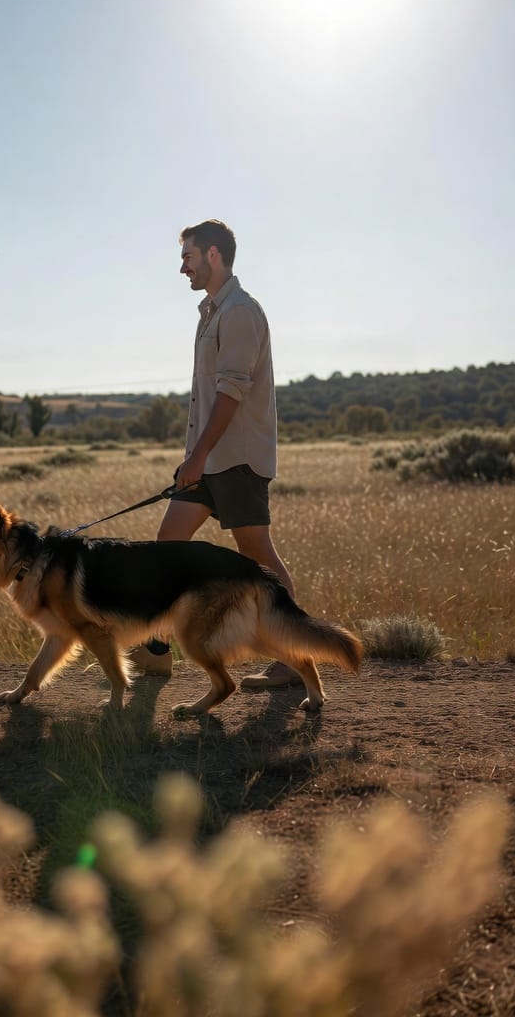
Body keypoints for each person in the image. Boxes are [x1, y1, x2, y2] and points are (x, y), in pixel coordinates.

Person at [130, 219, 301, 690]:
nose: (182, 267)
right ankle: (157, 653)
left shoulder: (240, 312)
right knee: (168, 545)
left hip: (237, 460)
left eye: (187, 256)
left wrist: (198, 454)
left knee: (257, 556)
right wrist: (196, 457)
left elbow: (231, 394)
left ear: (212, 254)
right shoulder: (210, 312)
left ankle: (293, 657)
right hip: (207, 461)